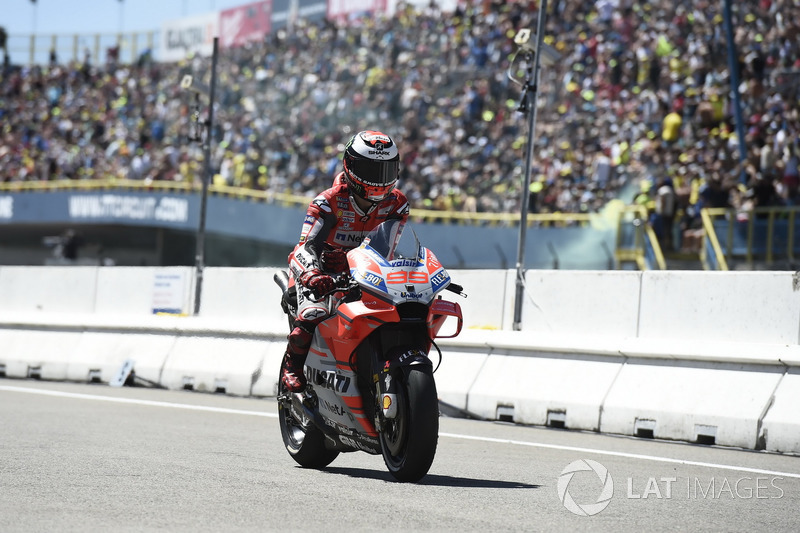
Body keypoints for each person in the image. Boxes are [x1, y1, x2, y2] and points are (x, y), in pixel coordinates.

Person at [281, 130, 410, 392]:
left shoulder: (397, 204)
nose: (379, 180)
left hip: (366, 273)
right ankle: (291, 367)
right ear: (350, 166)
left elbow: (387, 250)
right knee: (312, 313)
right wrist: (313, 276)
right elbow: (303, 248)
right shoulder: (327, 202)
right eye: (370, 170)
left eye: (385, 171)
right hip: (321, 274)